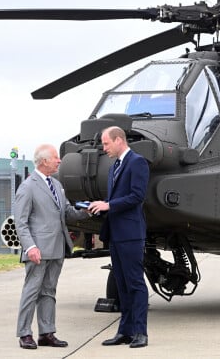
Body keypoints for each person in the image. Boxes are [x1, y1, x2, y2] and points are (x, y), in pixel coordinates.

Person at [14, 144, 90, 350]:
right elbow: (20, 222)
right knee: (32, 290)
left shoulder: (56, 185)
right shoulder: (28, 186)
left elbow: (66, 212)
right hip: (37, 249)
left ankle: (47, 333)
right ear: (44, 161)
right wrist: (30, 247)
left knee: (49, 291)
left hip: (57, 247)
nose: (59, 161)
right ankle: (24, 333)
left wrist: (87, 211)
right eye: (56, 158)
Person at [88, 126, 150, 348]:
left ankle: (141, 332)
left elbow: (136, 196)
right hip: (116, 233)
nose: (104, 148)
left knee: (135, 283)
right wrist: (100, 206)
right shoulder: (116, 165)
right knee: (122, 285)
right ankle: (125, 330)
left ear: (118, 140)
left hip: (131, 234)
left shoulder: (137, 162)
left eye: (106, 144)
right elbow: (117, 198)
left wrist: (109, 204)